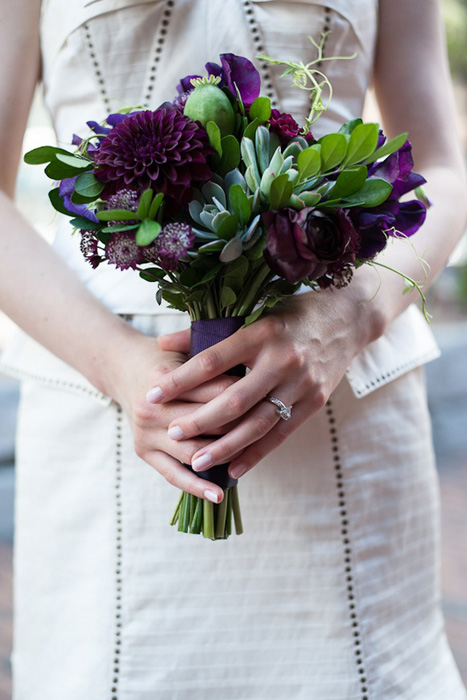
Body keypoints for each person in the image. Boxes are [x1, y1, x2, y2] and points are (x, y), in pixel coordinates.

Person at [0, 0, 466, 698]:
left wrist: (348, 317)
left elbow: (441, 167)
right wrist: (127, 372)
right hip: (105, 402)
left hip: (341, 390)